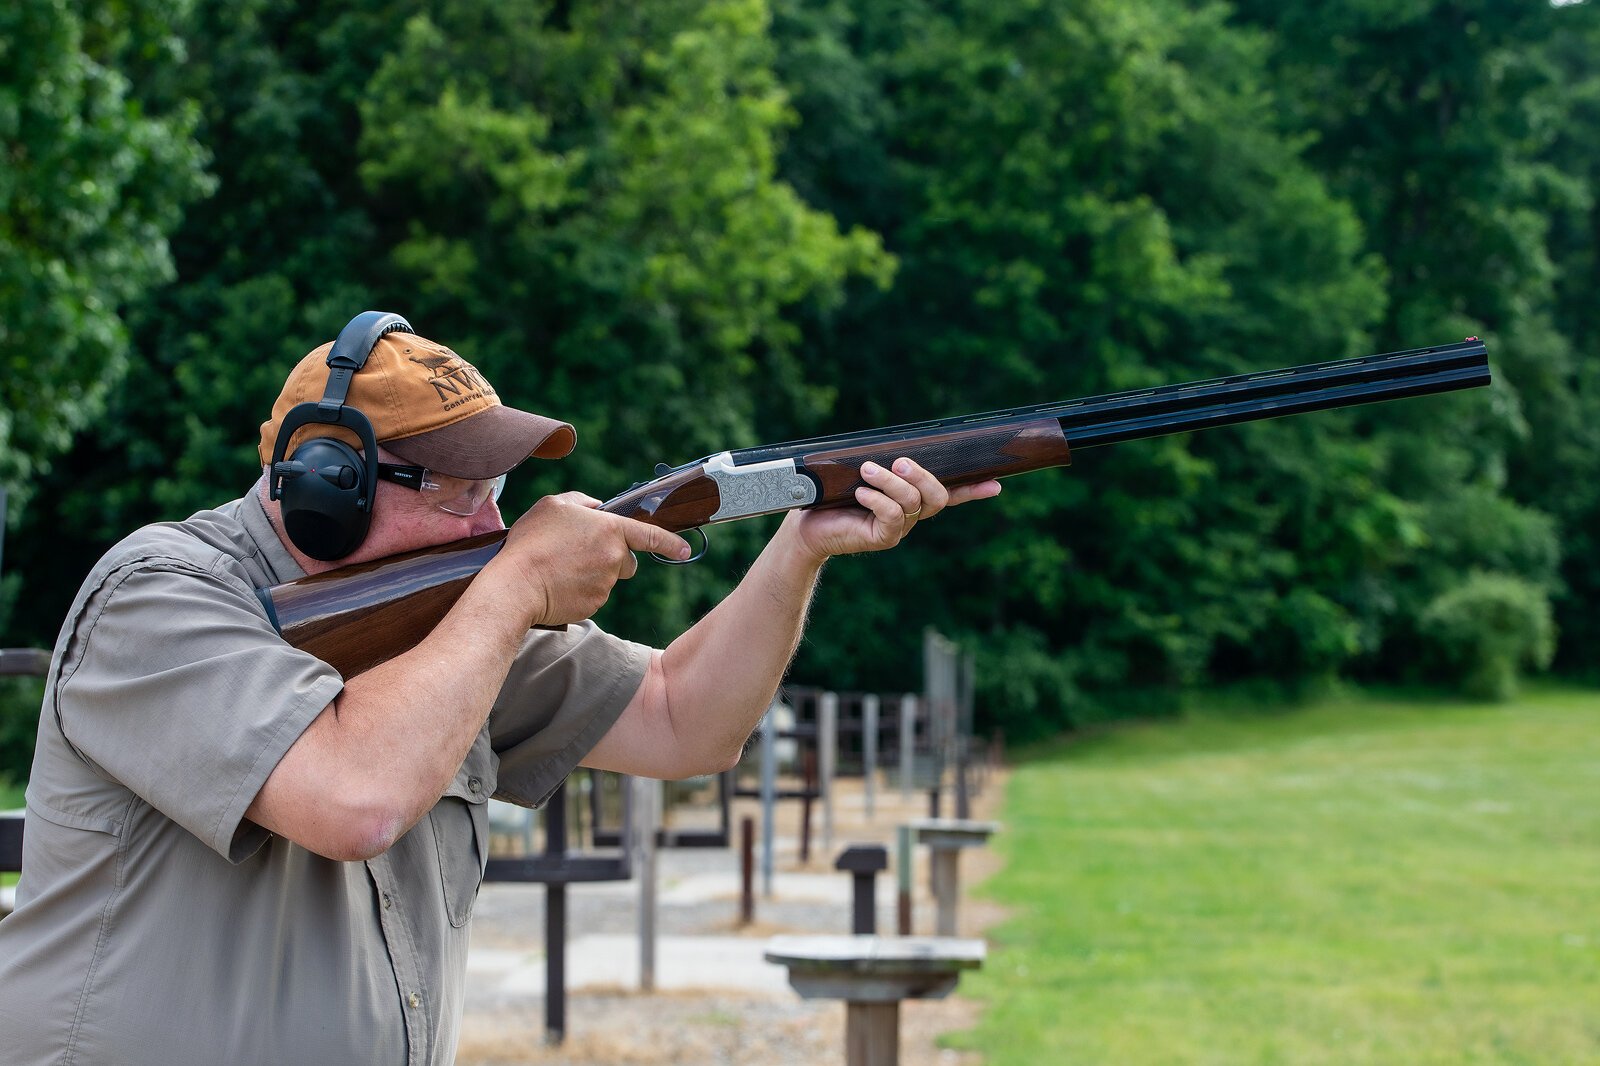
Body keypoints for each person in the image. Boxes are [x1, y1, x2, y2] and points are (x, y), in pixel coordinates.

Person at [0, 313, 1000, 1065]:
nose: (494, 528)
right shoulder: (157, 597)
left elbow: (683, 721)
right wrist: (519, 584)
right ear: (326, 482)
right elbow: (356, 797)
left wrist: (799, 545)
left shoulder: (454, 619)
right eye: (459, 492)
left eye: (500, 493)